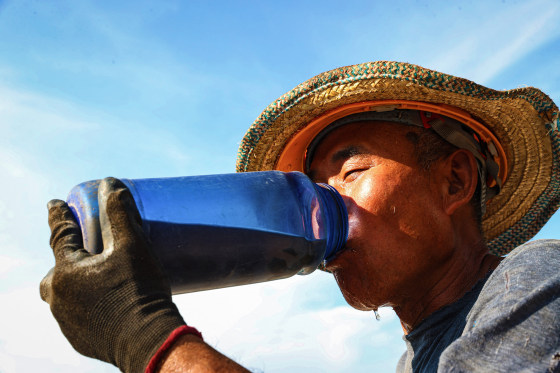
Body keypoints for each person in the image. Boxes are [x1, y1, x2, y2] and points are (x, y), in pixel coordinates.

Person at [40, 61, 560, 372]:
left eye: (351, 170)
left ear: (455, 181)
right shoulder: (417, 356)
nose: (323, 205)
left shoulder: (537, 282)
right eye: (314, 187)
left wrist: (149, 338)